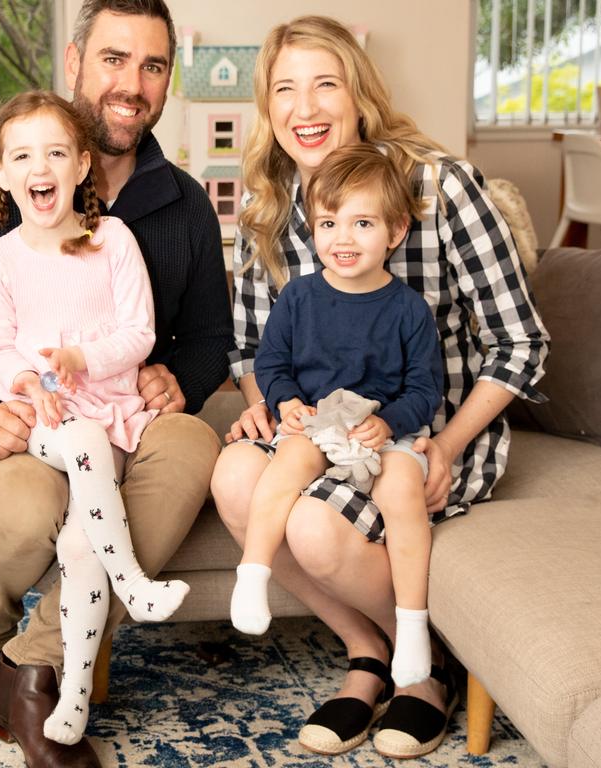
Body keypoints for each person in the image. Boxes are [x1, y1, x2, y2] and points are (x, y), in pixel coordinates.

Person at [0, 1, 232, 764]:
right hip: (18, 417)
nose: (132, 84)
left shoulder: (183, 206)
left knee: (191, 448)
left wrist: (183, 379)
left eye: (152, 66)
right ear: (74, 61)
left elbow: (210, 337)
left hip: (124, 414)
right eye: (114, 59)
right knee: (24, 505)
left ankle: (34, 668)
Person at [209, 15, 549, 760]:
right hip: (322, 428)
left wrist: (447, 447)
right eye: (285, 89)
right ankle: (372, 652)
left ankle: (426, 675)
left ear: (358, 94)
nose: (306, 108)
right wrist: (265, 404)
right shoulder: (266, 212)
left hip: (427, 427)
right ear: (267, 109)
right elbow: (248, 348)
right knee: (234, 476)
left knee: (314, 528)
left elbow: (521, 342)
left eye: (325, 83)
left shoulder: (438, 187)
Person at [0, 89, 190, 746]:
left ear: (80, 166)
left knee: (78, 547)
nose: (41, 166)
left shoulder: (115, 240)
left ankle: (70, 696)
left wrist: (82, 356)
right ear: (1, 173)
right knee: (83, 436)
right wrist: (28, 380)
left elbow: (139, 334)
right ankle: (133, 579)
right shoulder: (0, 260)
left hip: (111, 410)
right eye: (23, 155)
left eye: (58, 152)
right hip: (44, 416)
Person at [230, 145, 444, 700]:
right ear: (312, 227)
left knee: (402, 491)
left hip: (383, 433)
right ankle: (252, 575)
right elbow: (271, 363)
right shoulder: (299, 297)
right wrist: (287, 404)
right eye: (329, 223)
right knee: (288, 463)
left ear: (395, 232)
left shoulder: (408, 310)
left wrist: (391, 421)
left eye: (362, 223)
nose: (343, 239)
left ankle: (413, 626)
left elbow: (425, 388)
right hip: (321, 426)